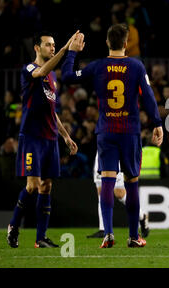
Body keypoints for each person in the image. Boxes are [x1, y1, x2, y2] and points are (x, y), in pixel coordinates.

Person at [61, 24, 163, 248]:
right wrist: (157, 122)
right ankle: (134, 237)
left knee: (107, 182)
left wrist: (72, 52)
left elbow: (67, 76)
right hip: (129, 132)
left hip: (106, 131)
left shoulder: (98, 66)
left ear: (107, 43)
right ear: (126, 44)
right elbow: (147, 96)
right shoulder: (136, 66)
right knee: (132, 183)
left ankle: (108, 234)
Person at [7, 30, 79, 248]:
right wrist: (66, 50)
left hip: (50, 139)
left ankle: (41, 238)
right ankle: (13, 227)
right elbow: (40, 72)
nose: (52, 47)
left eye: (55, 45)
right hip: (32, 137)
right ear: (37, 48)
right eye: (48, 45)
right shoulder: (30, 69)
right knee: (32, 186)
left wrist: (65, 136)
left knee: (46, 186)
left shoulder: (52, 77)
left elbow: (52, 111)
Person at [86, 152, 150, 239]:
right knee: (102, 192)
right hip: (102, 150)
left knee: (119, 193)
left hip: (117, 151)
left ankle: (142, 216)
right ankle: (103, 229)